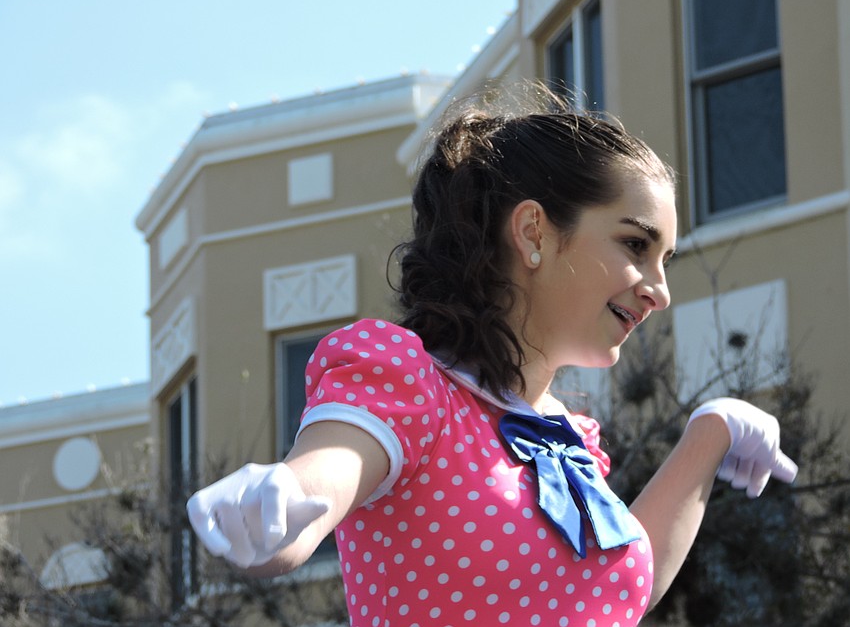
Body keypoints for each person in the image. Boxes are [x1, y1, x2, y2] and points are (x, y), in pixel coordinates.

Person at [187, 83, 797, 627]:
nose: (658, 291)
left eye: (664, 261)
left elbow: (612, 599)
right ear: (533, 232)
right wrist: (281, 502)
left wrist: (710, 434)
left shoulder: (569, 439)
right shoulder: (407, 381)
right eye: (635, 243)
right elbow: (324, 479)